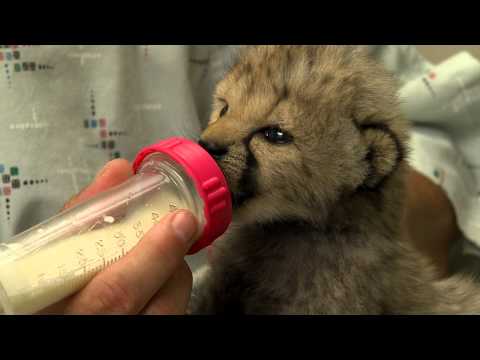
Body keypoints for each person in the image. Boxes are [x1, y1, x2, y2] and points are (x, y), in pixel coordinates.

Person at [0, 45, 478, 315]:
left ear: (366, 165)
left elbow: (445, 120)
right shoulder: (240, 237)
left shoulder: (344, 276)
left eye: (274, 134)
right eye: (224, 108)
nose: (212, 138)